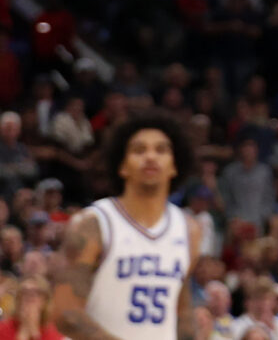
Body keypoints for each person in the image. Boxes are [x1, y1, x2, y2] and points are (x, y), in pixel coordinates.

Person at [52, 114, 202, 340]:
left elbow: (181, 309)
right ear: (122, 166)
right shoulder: (93, 224)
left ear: (174, 166)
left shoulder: (189, 229)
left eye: (161, 150)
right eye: (139, 150)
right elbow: (66, 313)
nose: (150, 156)